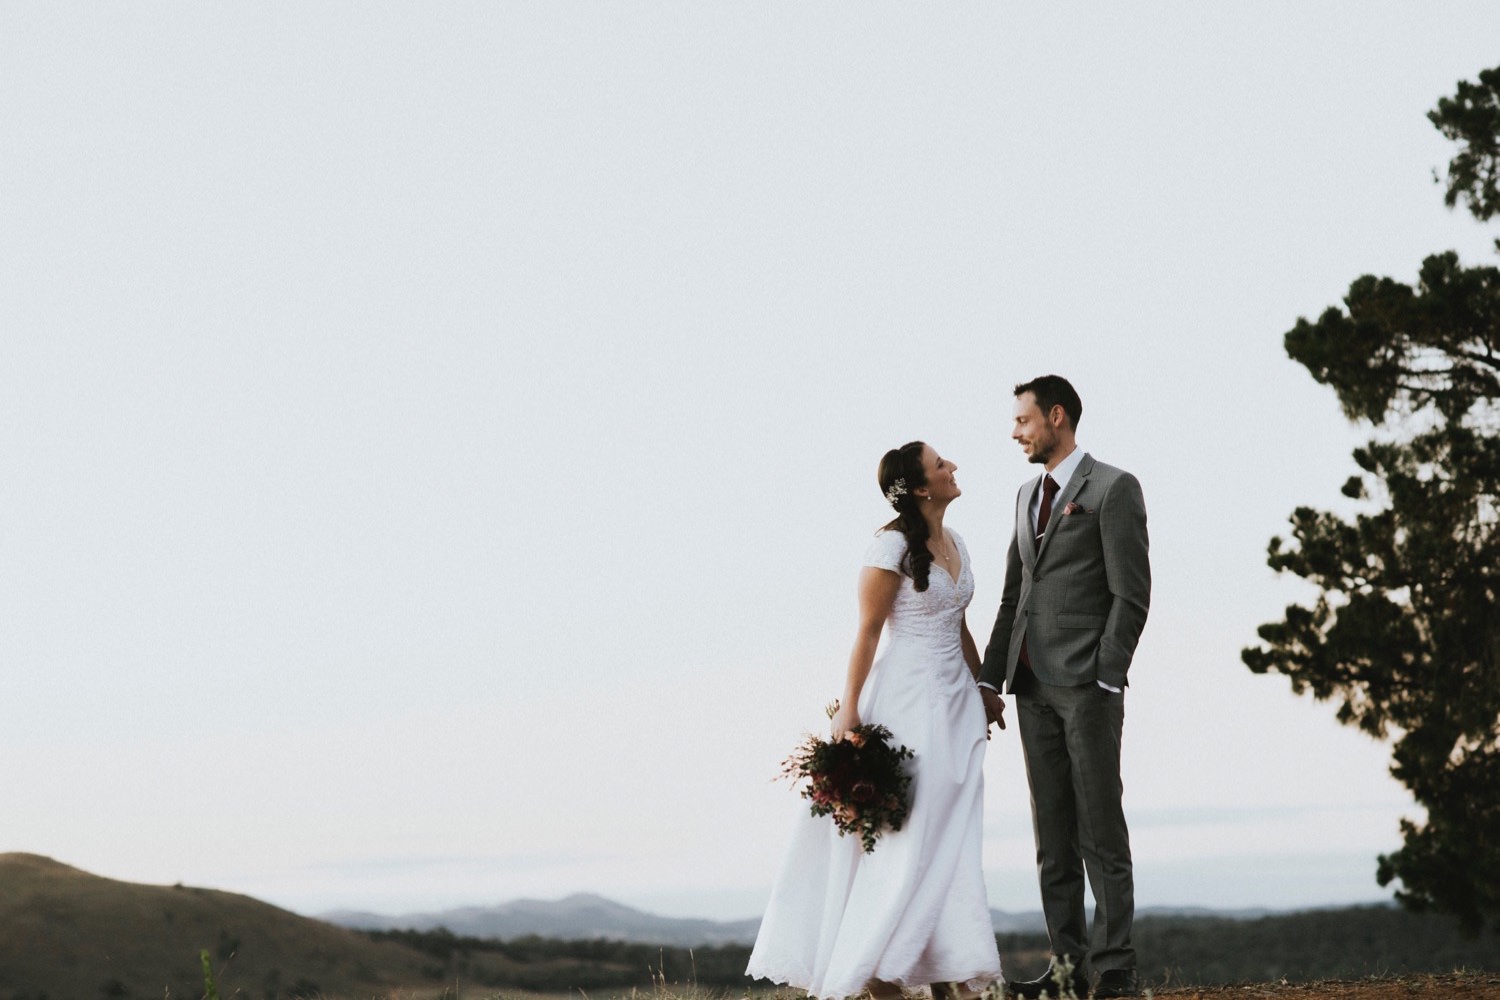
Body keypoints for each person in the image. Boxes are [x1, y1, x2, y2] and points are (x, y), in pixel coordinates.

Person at [747, 441, 1004, 1000]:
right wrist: (849, 709)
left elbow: (957, 621)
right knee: (906, 839)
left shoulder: (955, 541)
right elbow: (866, 632)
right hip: (908, 705)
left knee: (950, 840)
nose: (953, 467)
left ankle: (940, 969)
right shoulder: (888, 546)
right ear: (919, 488)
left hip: (958, 706)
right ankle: (875, 974)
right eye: (941, 465)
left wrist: (983, 685)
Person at [978, 376, 1150, 1000]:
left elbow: (1132, 593)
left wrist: (1106, 670)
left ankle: (1114, 969)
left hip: (1088, 685)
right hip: (1029, 686)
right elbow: (1010, 596)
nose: (1016, 431)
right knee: (1051, 834)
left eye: (1024, 420)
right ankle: (1067, 970)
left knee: (1100, 827)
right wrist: (989, 677)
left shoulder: (1113, 487)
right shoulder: (1026, 494)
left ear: (1057, 417)